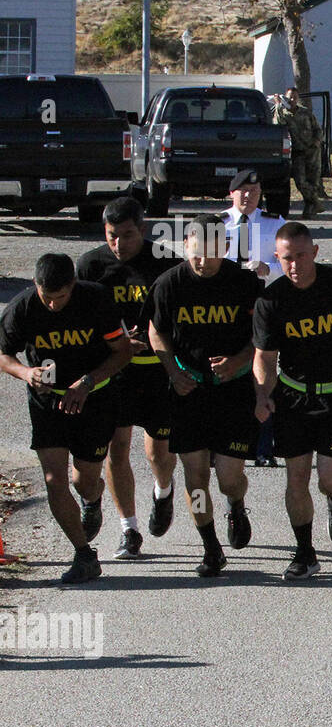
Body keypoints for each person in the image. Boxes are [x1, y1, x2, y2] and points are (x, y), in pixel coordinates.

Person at [252, 222, 332, 580]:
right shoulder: (270, 300)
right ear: (277, 260)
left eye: (300, 256)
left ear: (313, 252)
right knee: (296, 477)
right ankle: (305, 552)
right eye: (285, 259)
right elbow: (263, 357)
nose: (294, 265)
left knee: (329, 475)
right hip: (292, 394)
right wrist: (263, 394)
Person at [0, 253, 132, 583]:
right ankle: (84, 555)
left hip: (95, 397)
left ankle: (93, 497)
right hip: (47, 402)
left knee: (83, 481)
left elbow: (123, 351)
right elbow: (3, 353)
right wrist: (25, 372)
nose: (54, 305)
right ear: (36, 286)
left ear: (72, 286)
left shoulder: (96, 300)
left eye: (60, 298)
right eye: (47, 297)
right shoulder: (24, 307)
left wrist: (87, 382)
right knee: (54, 480)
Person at [148, 215, 263, 578]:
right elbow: (156, 331)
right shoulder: (169, 284)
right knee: (195, 476)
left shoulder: (244, 284)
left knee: (229, 477)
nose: (202, 262)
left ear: (225, 249)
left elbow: (261, 338)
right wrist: (173, 371)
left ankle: (236, 502)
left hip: (233, 390)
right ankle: (211, 547)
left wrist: (239, 361)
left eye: (211, 254)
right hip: (188, 391)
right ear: (186, 248)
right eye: (196, 254)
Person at [76, 196, 181, 561]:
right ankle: (128, 530)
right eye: (111, 236)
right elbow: (78, 318)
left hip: (157, 372)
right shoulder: (91, 265)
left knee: (158, 452)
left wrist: (153, 339)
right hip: (114, 372)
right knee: (116, 449)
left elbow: (180, 318)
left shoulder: (166, 261)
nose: (118, 244)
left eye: (127, 235)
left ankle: (163, 491)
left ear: (144, 230)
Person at [222, 167, 283, 467]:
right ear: (231, 193)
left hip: (263, 306)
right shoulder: (217, 225)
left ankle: (262, 445)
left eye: (255, 192)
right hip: (226, 309)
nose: (248, 197)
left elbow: (294, 266)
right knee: (227, 371)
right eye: (243, 191)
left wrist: (268, 269)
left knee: (263, 372)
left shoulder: (276, 224)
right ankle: (220, 443)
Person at [270, 88, 324, 219]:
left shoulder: (305, 113)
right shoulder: (282, 113)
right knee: (301, 182)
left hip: (311, 152)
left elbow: (317, 129)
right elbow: (278, 126)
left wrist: (317, 142)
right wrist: (278, 106)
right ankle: (316, 202)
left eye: (294, 97)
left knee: (313, 181)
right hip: (297, 153)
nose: (292, 100)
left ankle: (310, 208)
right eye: (289, 98)